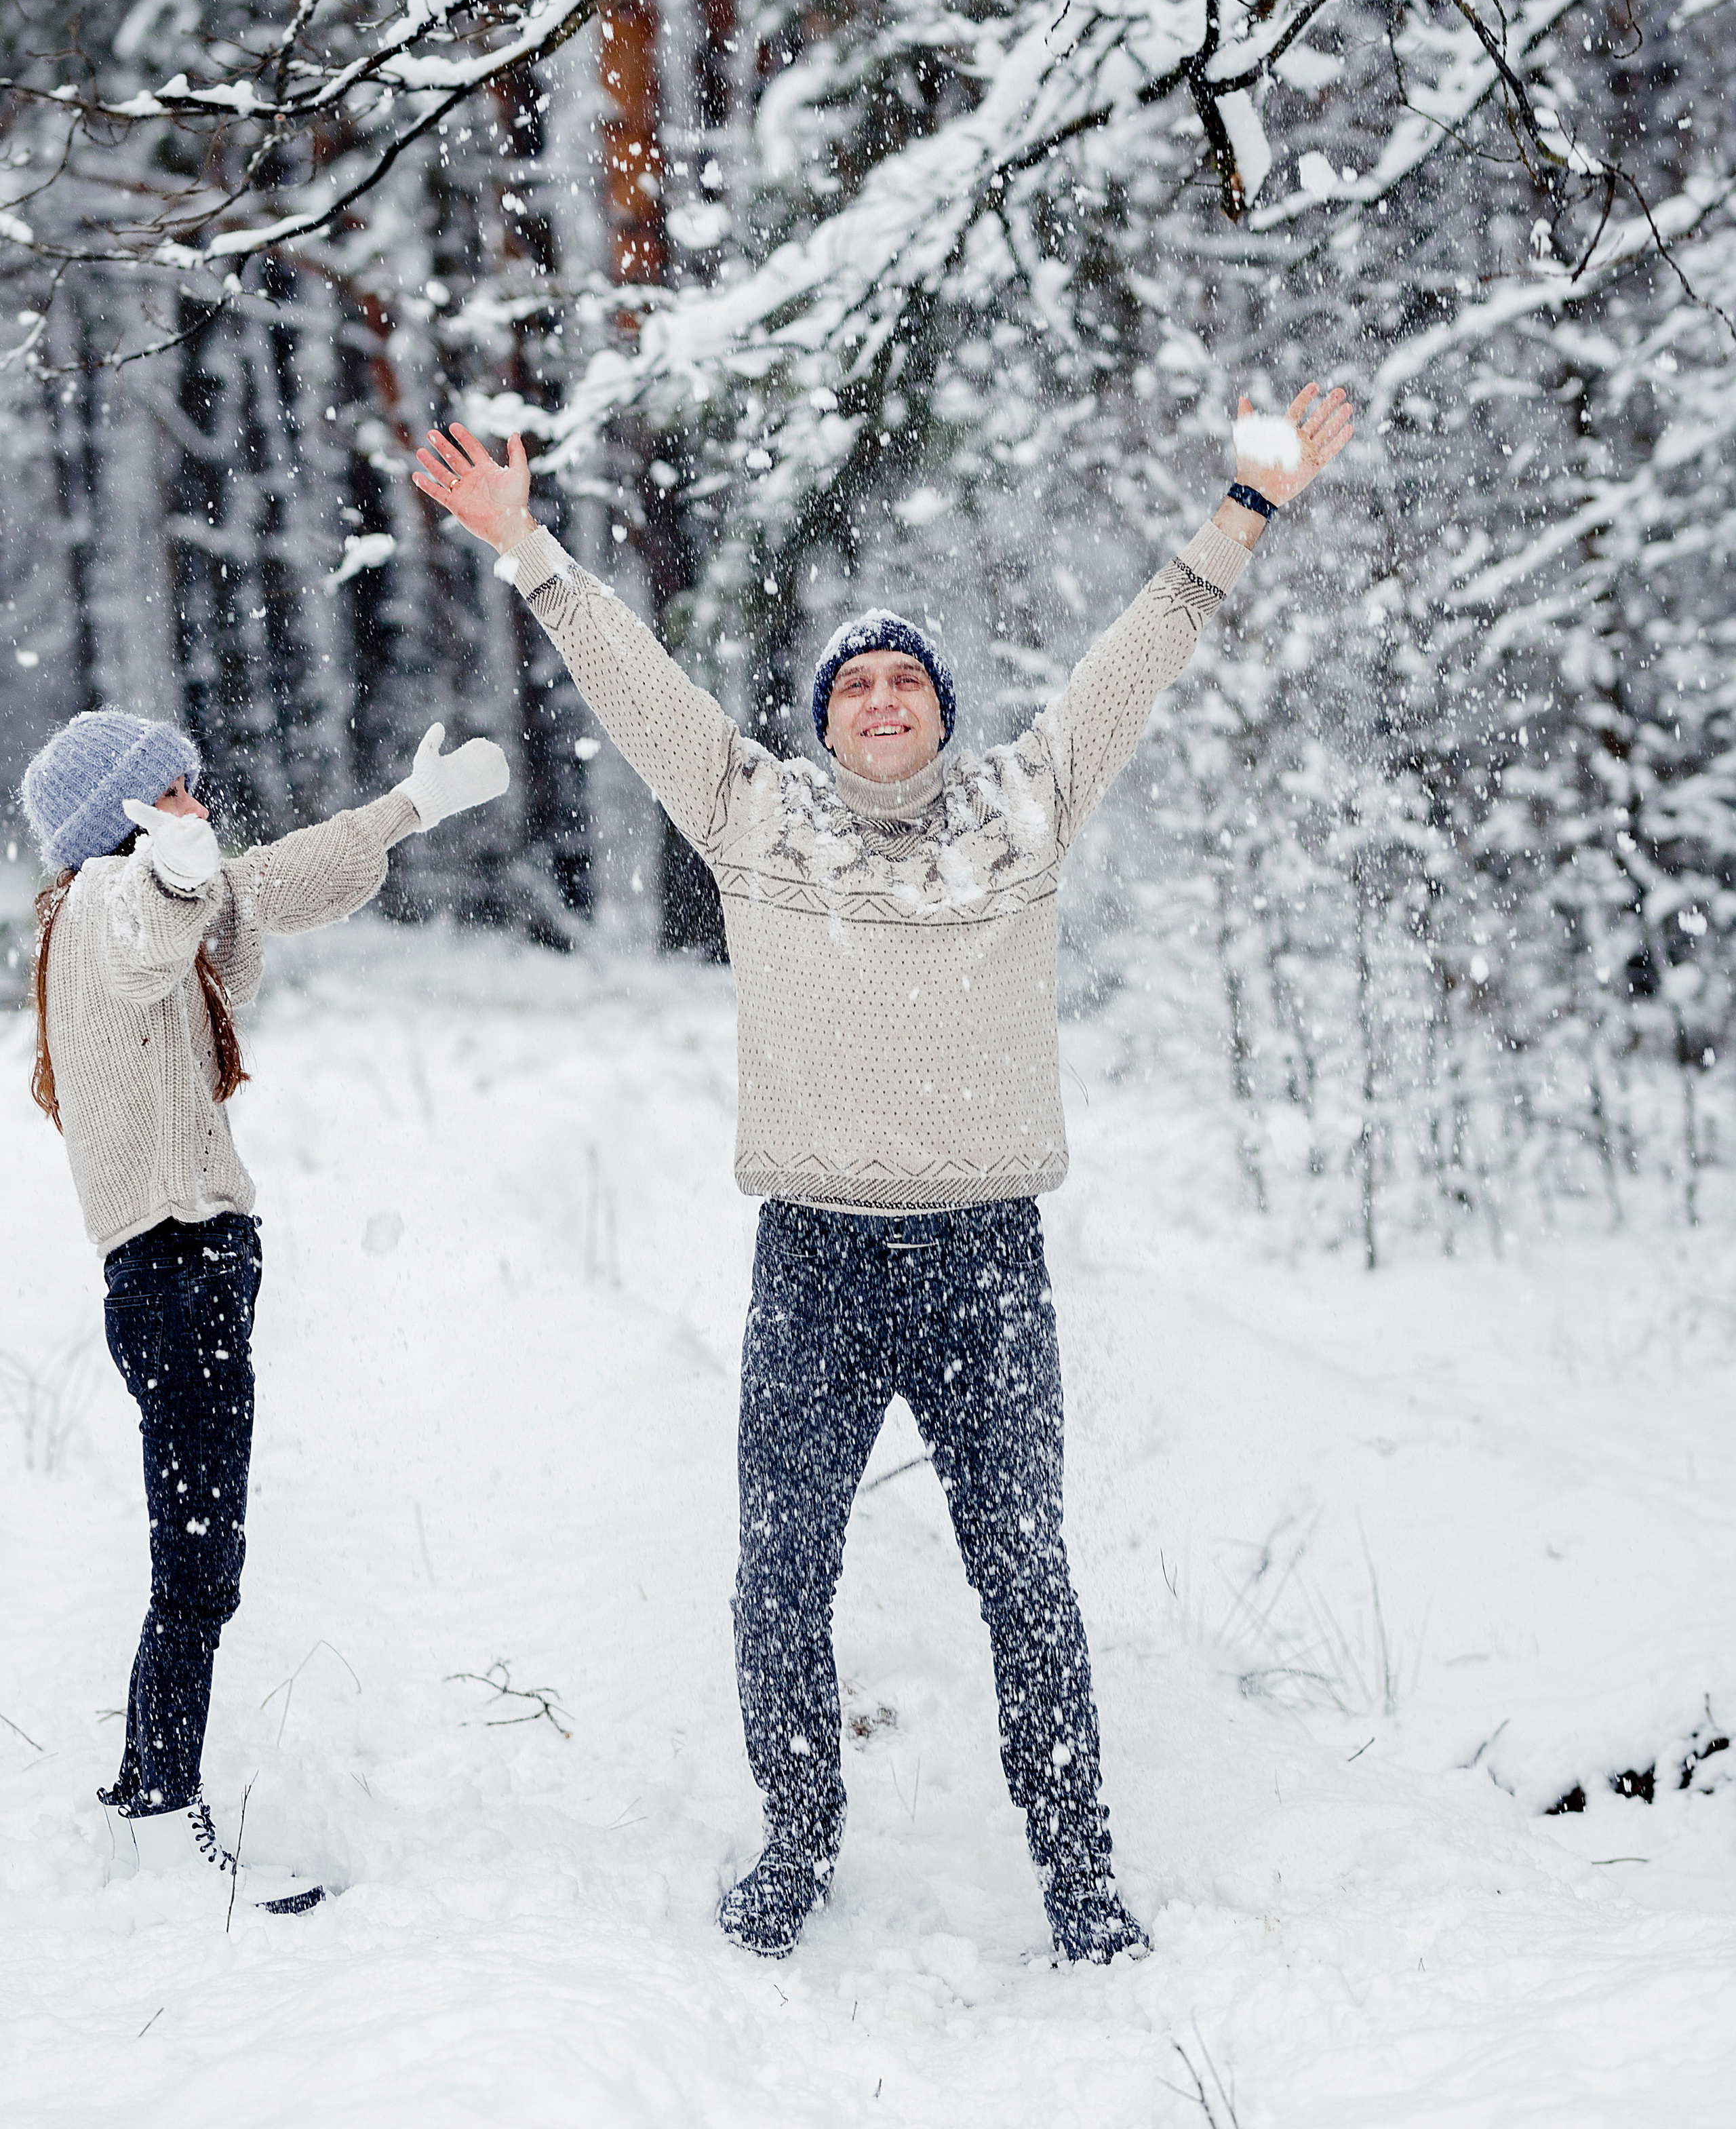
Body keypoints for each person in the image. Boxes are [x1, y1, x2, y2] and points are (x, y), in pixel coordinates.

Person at [412, 381, 1354, 1963]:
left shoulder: (1024, 808)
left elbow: (1143, 646)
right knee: (778, 1571)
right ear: (820, 716)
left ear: (942, 711)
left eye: (905, 678)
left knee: (1025, 1578)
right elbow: (634, 688)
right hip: (817, 1258)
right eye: (854, 683)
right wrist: (528, 556)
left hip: (986, 1257)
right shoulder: (753, 817)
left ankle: (1078, 1872)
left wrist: (1243, 509)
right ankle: (795, 1839)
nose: (880, 698)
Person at [22, 709, 509, 1913]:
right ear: (119, 823)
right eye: (171, 788)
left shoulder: (159, 900)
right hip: (174, 1268)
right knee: (196, 1560)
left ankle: (150, 1786)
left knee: (202, 1554)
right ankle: (149, 1805)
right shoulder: (103, 911)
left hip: (195, 1266)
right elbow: (144, 930)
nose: (198, 798)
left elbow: (272, 885)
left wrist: (407, 808)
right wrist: (166, 874)